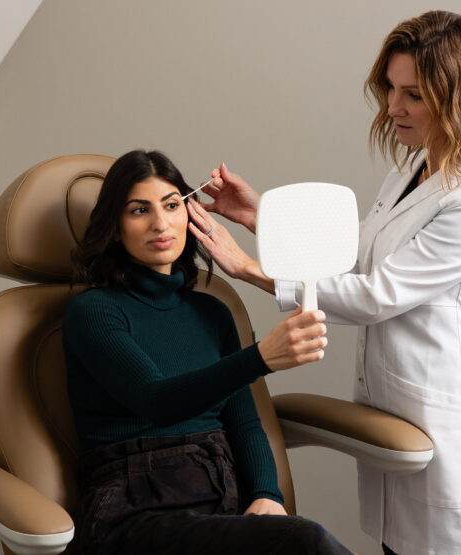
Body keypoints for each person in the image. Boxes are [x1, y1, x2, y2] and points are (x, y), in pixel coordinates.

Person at [184, 11, 461, 555]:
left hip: (445, 424)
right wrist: (257, 215)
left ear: (459, 99)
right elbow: (354, 258)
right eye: (390, 88)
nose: (392, 107)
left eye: (413, 94)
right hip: (391, 413)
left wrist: (249, 269)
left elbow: (375, 295)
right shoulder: (412, 168)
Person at [62, 149, 352, 554]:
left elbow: (244, 423)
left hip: (220, 492)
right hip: (135, 508)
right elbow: (155, 400)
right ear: (114, 228)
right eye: (139, 210)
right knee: (306, 542)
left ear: (190, 213)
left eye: (171, 205)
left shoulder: (213, 312)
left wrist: (267, 494)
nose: (160, 223)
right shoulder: (93, 311)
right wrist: (260, 358)